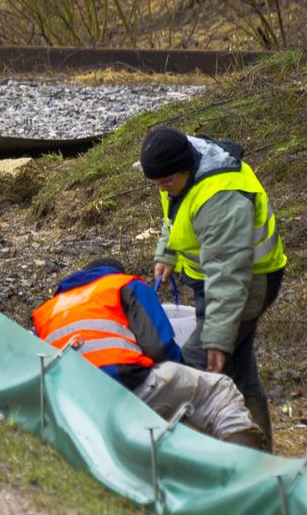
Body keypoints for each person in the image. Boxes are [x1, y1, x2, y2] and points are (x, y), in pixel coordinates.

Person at [140, 127, 287, 450]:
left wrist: (217, 338)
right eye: (156, 184)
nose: (162, 189)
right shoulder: (179, 161)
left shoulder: (221, 198)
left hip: (248, 281)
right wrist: (167, 251)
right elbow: (176, 209)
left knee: (197, 368)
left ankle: (197, 455)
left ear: (185, 168)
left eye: (166, 182)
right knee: (239, 367)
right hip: (213, 281)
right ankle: (259, 454)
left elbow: (228, 273)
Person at [32, 259, 264, 448]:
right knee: (217, 391)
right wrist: (183, 371)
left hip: (68, 399)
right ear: (114, 273)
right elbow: (160, 348)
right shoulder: (125, 285)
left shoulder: (47, 310)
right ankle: (244, 467)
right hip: (122, 386)